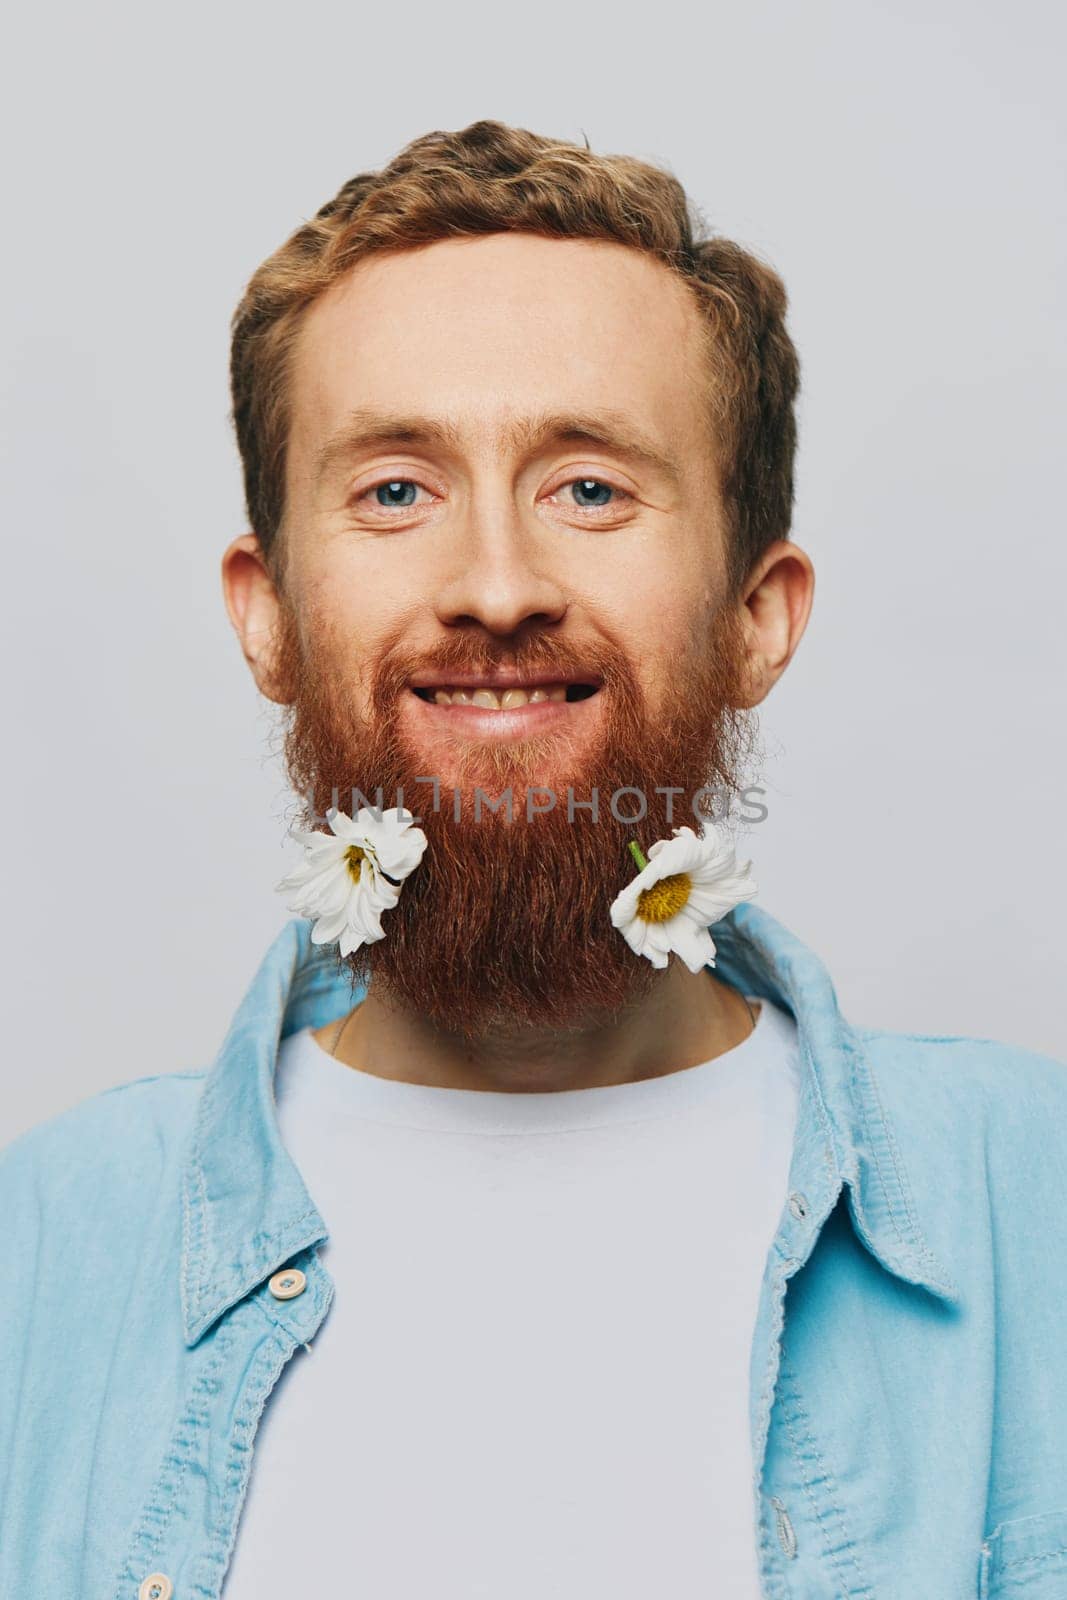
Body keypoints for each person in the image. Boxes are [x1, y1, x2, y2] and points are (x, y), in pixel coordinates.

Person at [2, 120, 1065, 1600]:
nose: (496, 586)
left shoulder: (1042, 1207)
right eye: (393, 490)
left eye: (589, 488)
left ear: (757, 613)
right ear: (268, 614)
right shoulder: (38, 1252)